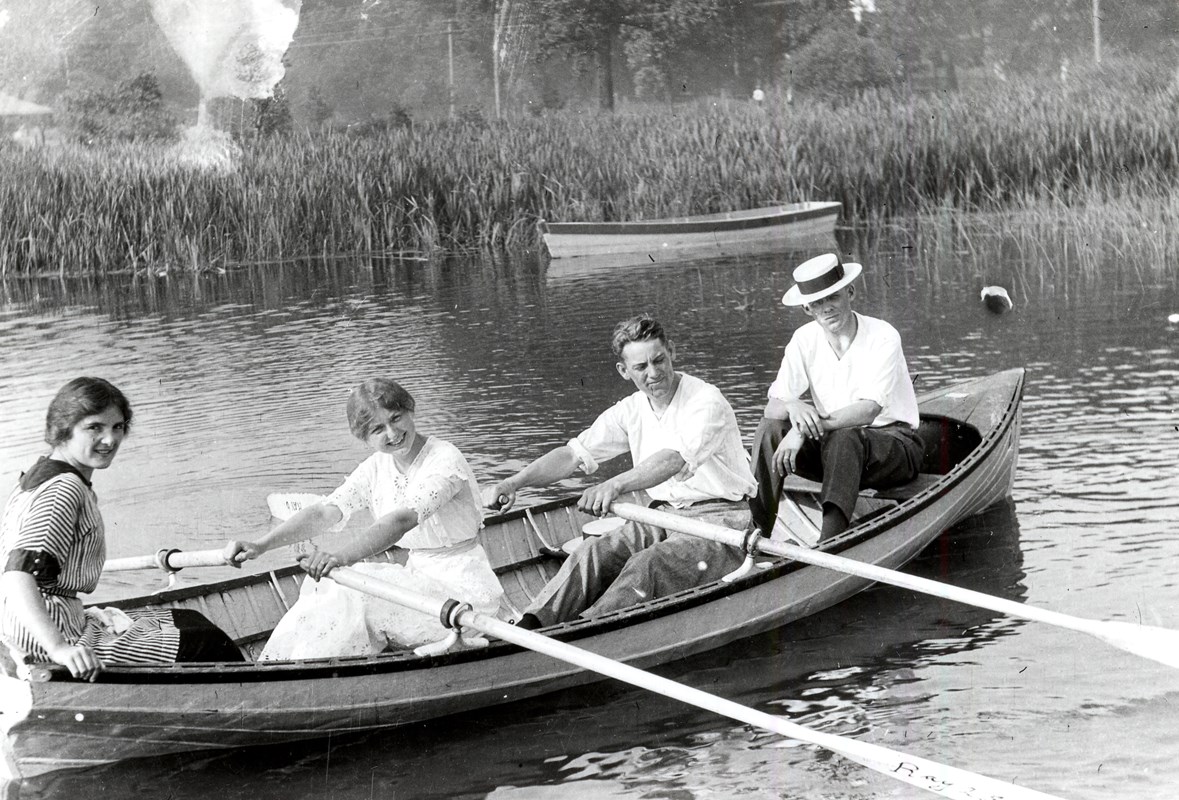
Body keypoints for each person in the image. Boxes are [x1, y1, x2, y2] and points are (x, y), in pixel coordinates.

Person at [483, 315, 756, 629]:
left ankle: (588, 632)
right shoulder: (631, 409)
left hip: (723, 521)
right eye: (641, 367)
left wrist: (614, 485)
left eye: (659, 360)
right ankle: (529, 627)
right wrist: (515, 481)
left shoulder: (706, 401)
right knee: (593, 552)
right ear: (624, 371)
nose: (653, 374)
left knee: (647, 565)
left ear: (672, 352)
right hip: (664, 515)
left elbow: (673, 460)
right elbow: (572, 455)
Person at [224, 378, 504, 660]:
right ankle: (282, 667)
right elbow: (325, 511)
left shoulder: (444, 459)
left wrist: (340, 557)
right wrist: (260, 546)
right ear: (365, 437)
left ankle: (302, 672)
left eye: (396, 418)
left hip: (465, 597)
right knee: (329, 586)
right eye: (378, 429)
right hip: (419, 580)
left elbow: (402, 520)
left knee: (353, 593)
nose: (393, 433)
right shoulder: (376, 467)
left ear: (410, 411)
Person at [0, 377, 242, 682]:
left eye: (117, 427)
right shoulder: (64, 489)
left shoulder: (40, 473)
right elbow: (17, 575)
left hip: (32, 625)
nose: (110, 440)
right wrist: (59, 649)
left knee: (188, 618)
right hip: (53, 638)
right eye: (94, 427)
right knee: (206, 643)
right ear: (64, 429)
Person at [748, 253, 924, 544]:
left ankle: (830, 544)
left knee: (845, 437)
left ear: (850, 292)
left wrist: (802, 429)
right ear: (807, 308)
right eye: (817, 303)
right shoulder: (803, 340)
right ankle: (755, 536)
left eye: (833, 297)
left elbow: (868, 411)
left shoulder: (883, 335)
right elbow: (773, 407)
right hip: (837, 452)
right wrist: (793, 405)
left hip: (894, 447)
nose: (826, 308)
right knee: (770, 430)